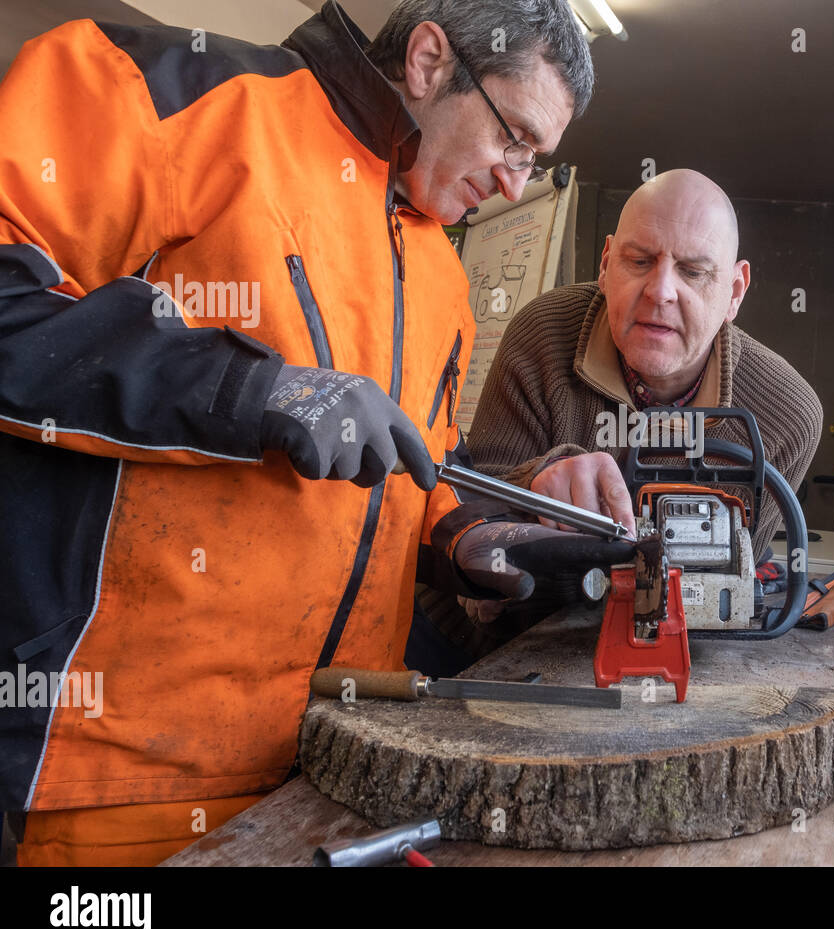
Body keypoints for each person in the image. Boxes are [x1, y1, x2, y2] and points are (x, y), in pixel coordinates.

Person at [0, 0, 625, 866]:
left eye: (537, 158)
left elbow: (409, 481)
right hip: (127, 776)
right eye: (513, 136)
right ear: (431, 61)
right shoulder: (170, 93)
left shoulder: (443, 278)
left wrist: (468, 539)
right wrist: (256, 391)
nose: (517, 181)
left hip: (343, 765)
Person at [416, 169, 823, 662]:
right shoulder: (543, 336)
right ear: (606, 263)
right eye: (639, 260)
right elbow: (465, 506)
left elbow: (720, 601)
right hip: (473, 645)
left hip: (651, 660)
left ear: (735, 291)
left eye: (693, 271)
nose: (660, 291)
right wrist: (534, 483)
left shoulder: (787, 416)